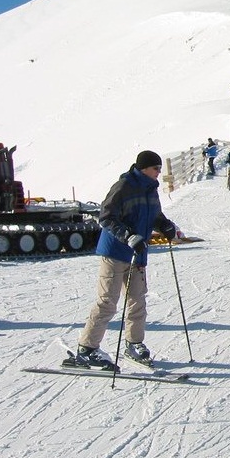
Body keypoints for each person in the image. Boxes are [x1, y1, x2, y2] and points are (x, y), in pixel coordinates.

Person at [74, 150, 179, 368]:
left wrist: (165, 225)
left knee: (137, 301)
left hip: (138, 253)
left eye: (160, 168)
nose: (159, 172)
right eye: (156, 168)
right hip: (115, 252)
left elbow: (154, 215)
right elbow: (106, 216)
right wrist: (128, 236)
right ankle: (87, 348)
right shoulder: (123, 186)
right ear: (144, 168)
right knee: (108, 302)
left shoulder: (151, 189)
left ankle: (134, 343)